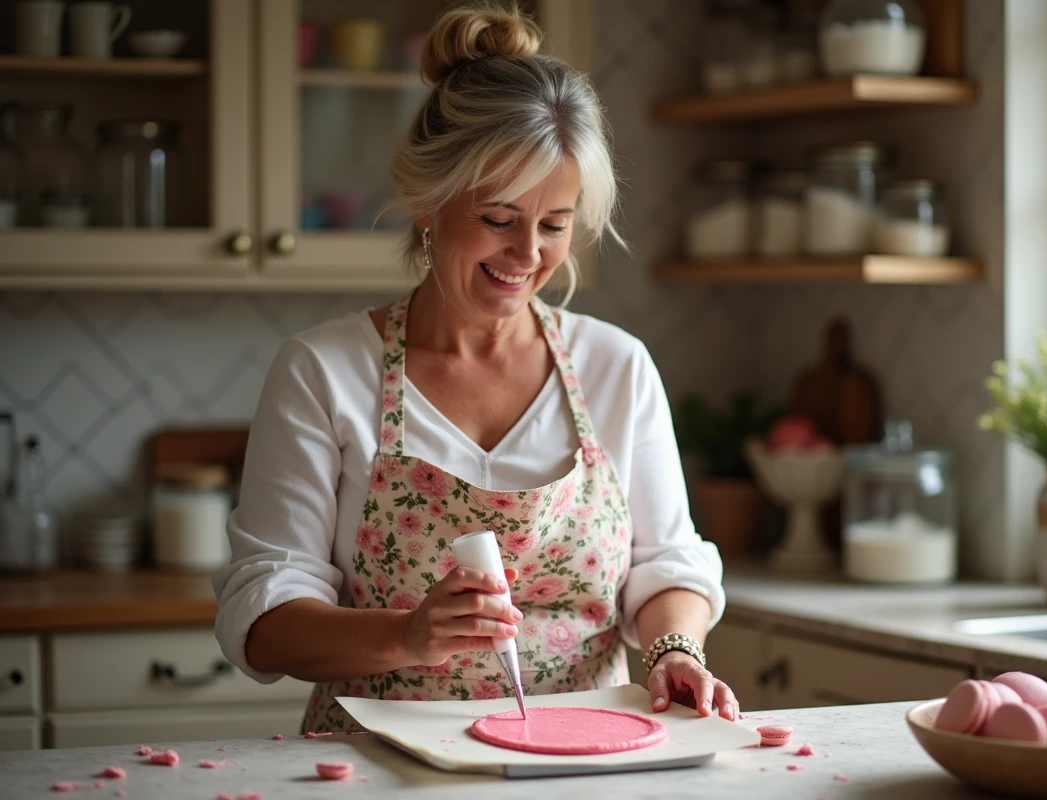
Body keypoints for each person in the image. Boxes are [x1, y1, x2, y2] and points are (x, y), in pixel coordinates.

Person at [212, 2, 736, 733]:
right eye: (498, 218)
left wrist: (677, 651)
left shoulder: (615, 366)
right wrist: (405, 637)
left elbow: (666, 564)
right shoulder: (325, 372)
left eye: (554, 225)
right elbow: (264, 616)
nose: (528, 256)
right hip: (380, 767)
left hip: (584, 762)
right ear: (428, 204)